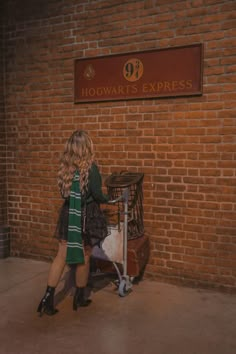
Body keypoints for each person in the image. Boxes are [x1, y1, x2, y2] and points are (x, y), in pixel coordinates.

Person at [37, 130, 109, 316]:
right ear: (86, 146)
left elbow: (64, 194)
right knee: (85, 255)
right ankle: (80, 297)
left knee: (61, 256)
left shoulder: (65, 167)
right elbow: (97, 194)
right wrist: (109, 199)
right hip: (86, 215)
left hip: (69, 213)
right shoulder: (91, 168)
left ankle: (47, 298)